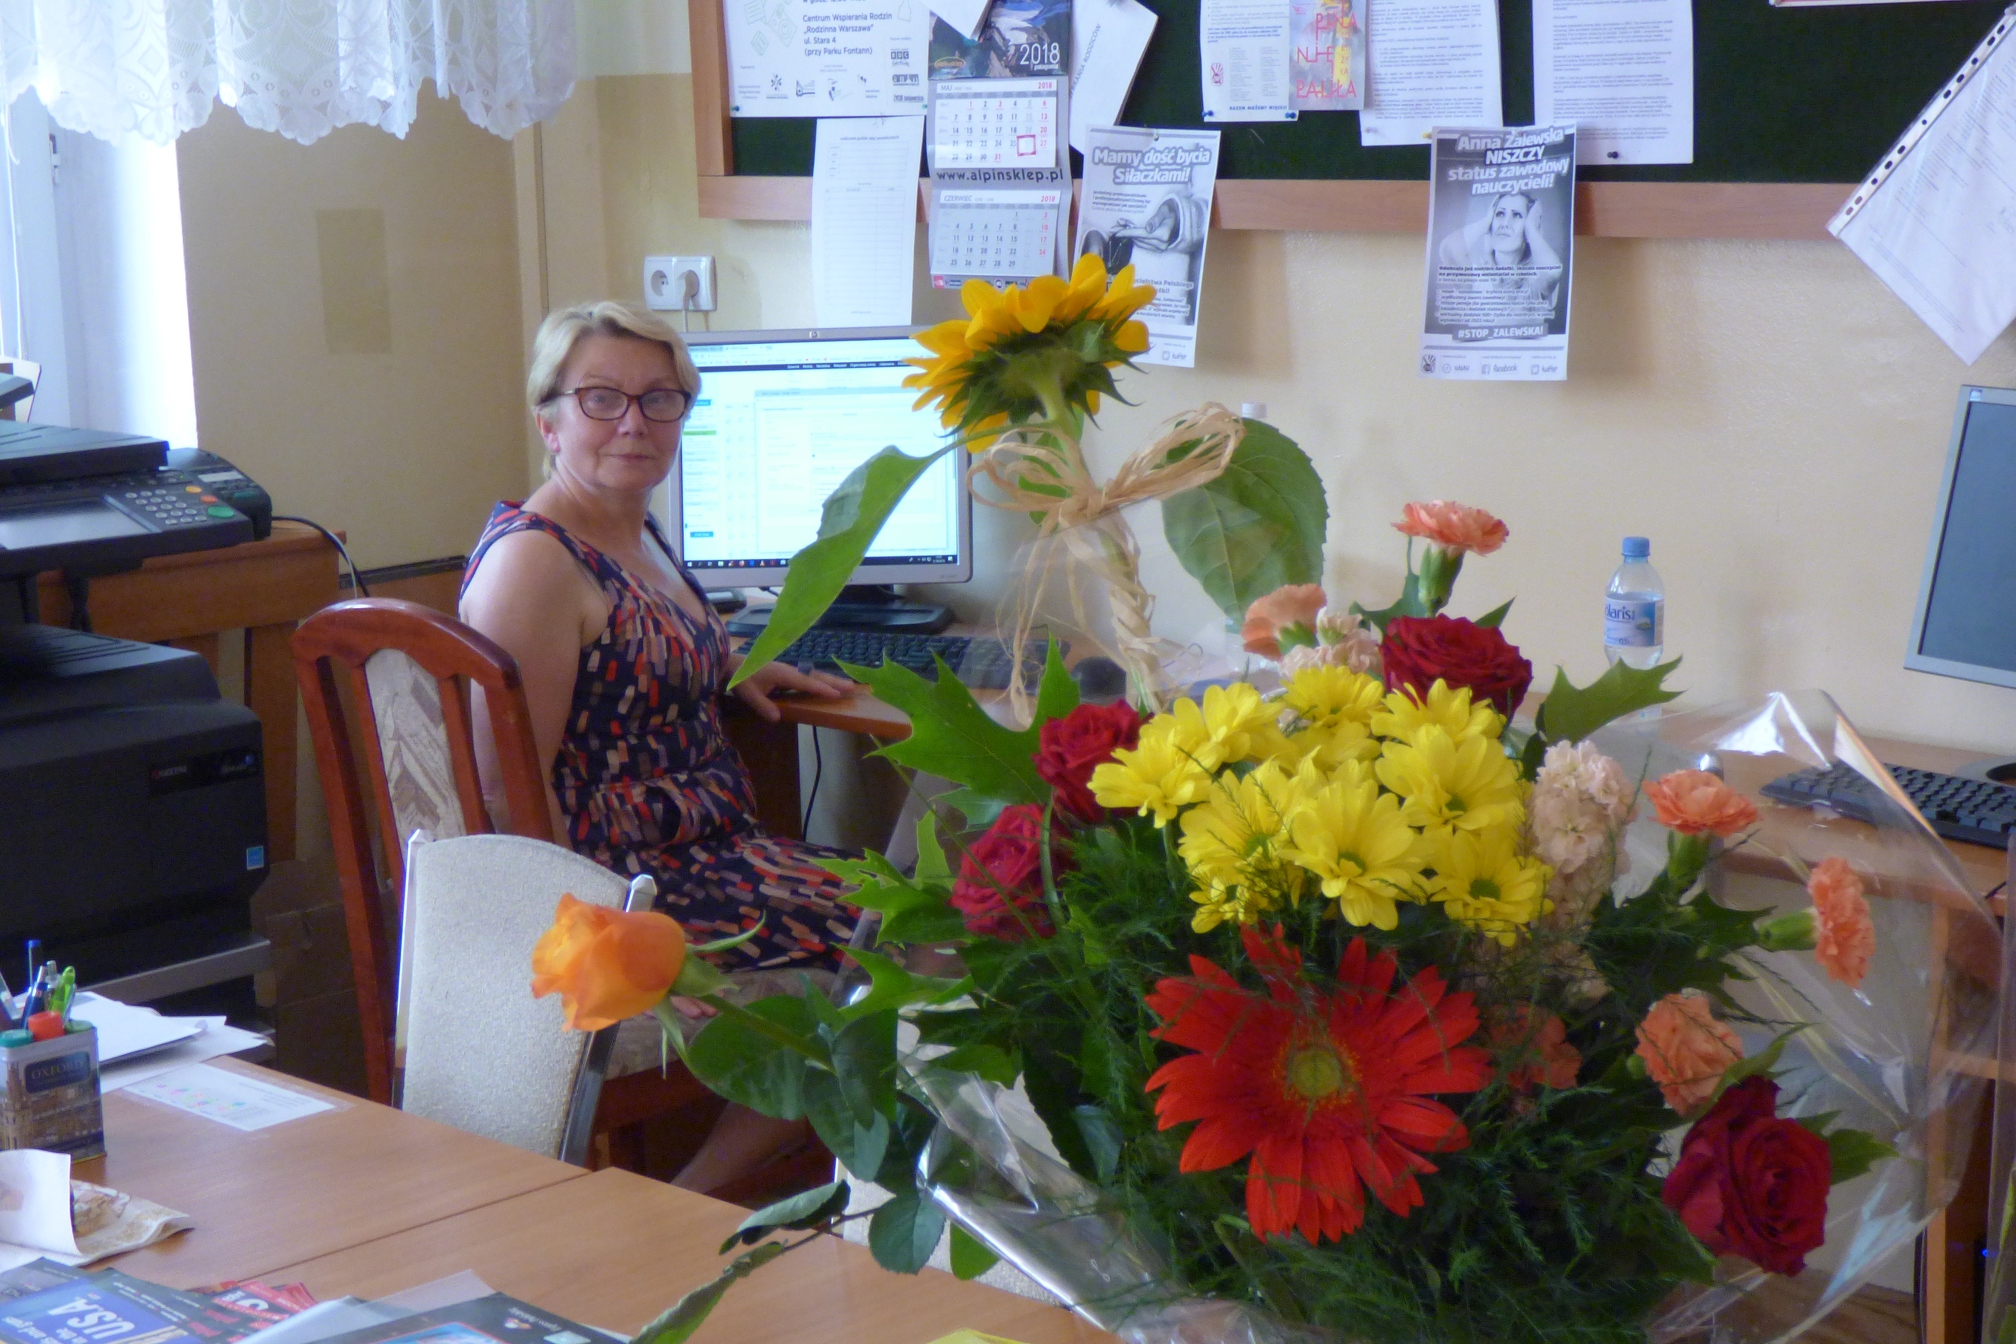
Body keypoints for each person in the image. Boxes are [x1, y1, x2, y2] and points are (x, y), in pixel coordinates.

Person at [459, 300, 856, 1190]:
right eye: (601, 399)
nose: (634, 422)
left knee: (927, 908)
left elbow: (625, 654)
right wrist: (606, 931)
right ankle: (695, 1202)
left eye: (660, 398)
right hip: (629, 883)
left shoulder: (632, 528)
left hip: (711, 854)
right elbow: (506, 787)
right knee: (901, 939)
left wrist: (730, 664)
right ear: (549, 420)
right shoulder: (536, 562)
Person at [1435, 191, 1564, 312]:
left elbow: (1553, 272)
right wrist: (1485, 223)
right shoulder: (1478, 277)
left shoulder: (1533, 281)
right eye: (1500, 214)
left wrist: (1531, 229)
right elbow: (1448, 250)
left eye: (1517, 215)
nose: (1505, 223)